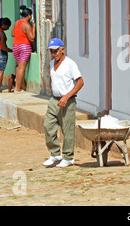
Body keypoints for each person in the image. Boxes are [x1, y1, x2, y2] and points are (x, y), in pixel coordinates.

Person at [43, 38, 84, 168]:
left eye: (56, 51)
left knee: (67, 130)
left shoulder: (70, 64)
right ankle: (55, 153)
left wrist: (67, 96)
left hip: (67, 101)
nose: (54, 54)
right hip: (54, 100)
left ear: (62, 50)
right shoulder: (51, 64)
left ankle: (68, 157)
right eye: (51, 51)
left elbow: (80, 82)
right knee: (48, 126)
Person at [11, 5, 36, 93]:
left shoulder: (16, 23)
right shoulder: (26, 25)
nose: (31, 17)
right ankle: (17, 88)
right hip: (24, 47)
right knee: (21, 68)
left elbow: (12, 34)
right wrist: (34, 27)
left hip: (15, 47)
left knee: (19, 67)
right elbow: (32, 38)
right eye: (31, 15)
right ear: (29, 15)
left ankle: (19, 86)